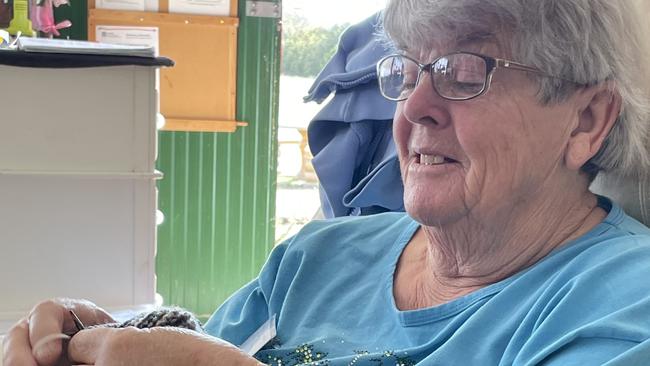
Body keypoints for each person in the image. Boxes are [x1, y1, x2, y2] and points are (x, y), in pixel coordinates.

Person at [5, 0, 650, 364]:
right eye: (406, 72)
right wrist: (122, 336)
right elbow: (212, 345)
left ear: (586, 120)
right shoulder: (317, 257)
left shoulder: (621, 306)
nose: (414, 107)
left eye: (462, 70)